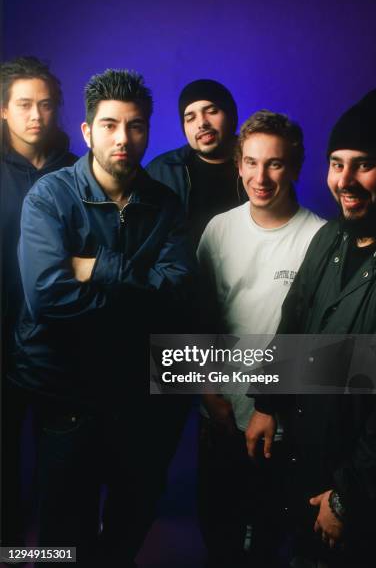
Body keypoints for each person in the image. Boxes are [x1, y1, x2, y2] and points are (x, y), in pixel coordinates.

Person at [9, 68, 196, 567]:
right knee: (61, 536)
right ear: (89, 131)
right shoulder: (50, 198)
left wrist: (97, 268)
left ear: (148, 132)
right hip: (64, 393)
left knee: (128, 525)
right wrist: (137, 288)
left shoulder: (165, 206)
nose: (123, 138)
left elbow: (176, 291)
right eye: (110, 125)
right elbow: (47, 297)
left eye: (135, 126)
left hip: (134, 395)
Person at [246, 87, 376, 568]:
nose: (345, 181)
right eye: (337, 163)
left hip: (365, 494)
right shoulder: (330, 237)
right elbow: (292, 326)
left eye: (364, 163)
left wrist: (347, 496)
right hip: (309, 464)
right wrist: (267, 403)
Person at [197, 110, 325, 568]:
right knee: (219, 532)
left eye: (274, 164)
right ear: (238, 164)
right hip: (220, 411)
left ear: (294, 167)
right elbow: (199, 318)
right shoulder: (219, 230)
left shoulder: (320, 238)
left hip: (281, 422)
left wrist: (270, 408)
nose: (260, 176)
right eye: (250, 162)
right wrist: (208, 392)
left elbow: (316, 341)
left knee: (268, 538)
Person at [0, 56, 76, 546]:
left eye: (45, 105)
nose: (36, 116)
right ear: (3, 110)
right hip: (1, 339)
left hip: (60, 344)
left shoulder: (77, 170)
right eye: (24, 104)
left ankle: (52, 552)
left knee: (62, 467)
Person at [146, 78, 245, 245]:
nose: (202, 123)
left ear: (231, 116)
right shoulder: (160, 172)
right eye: (190, 118)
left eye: (212, 111)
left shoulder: (259, 166)